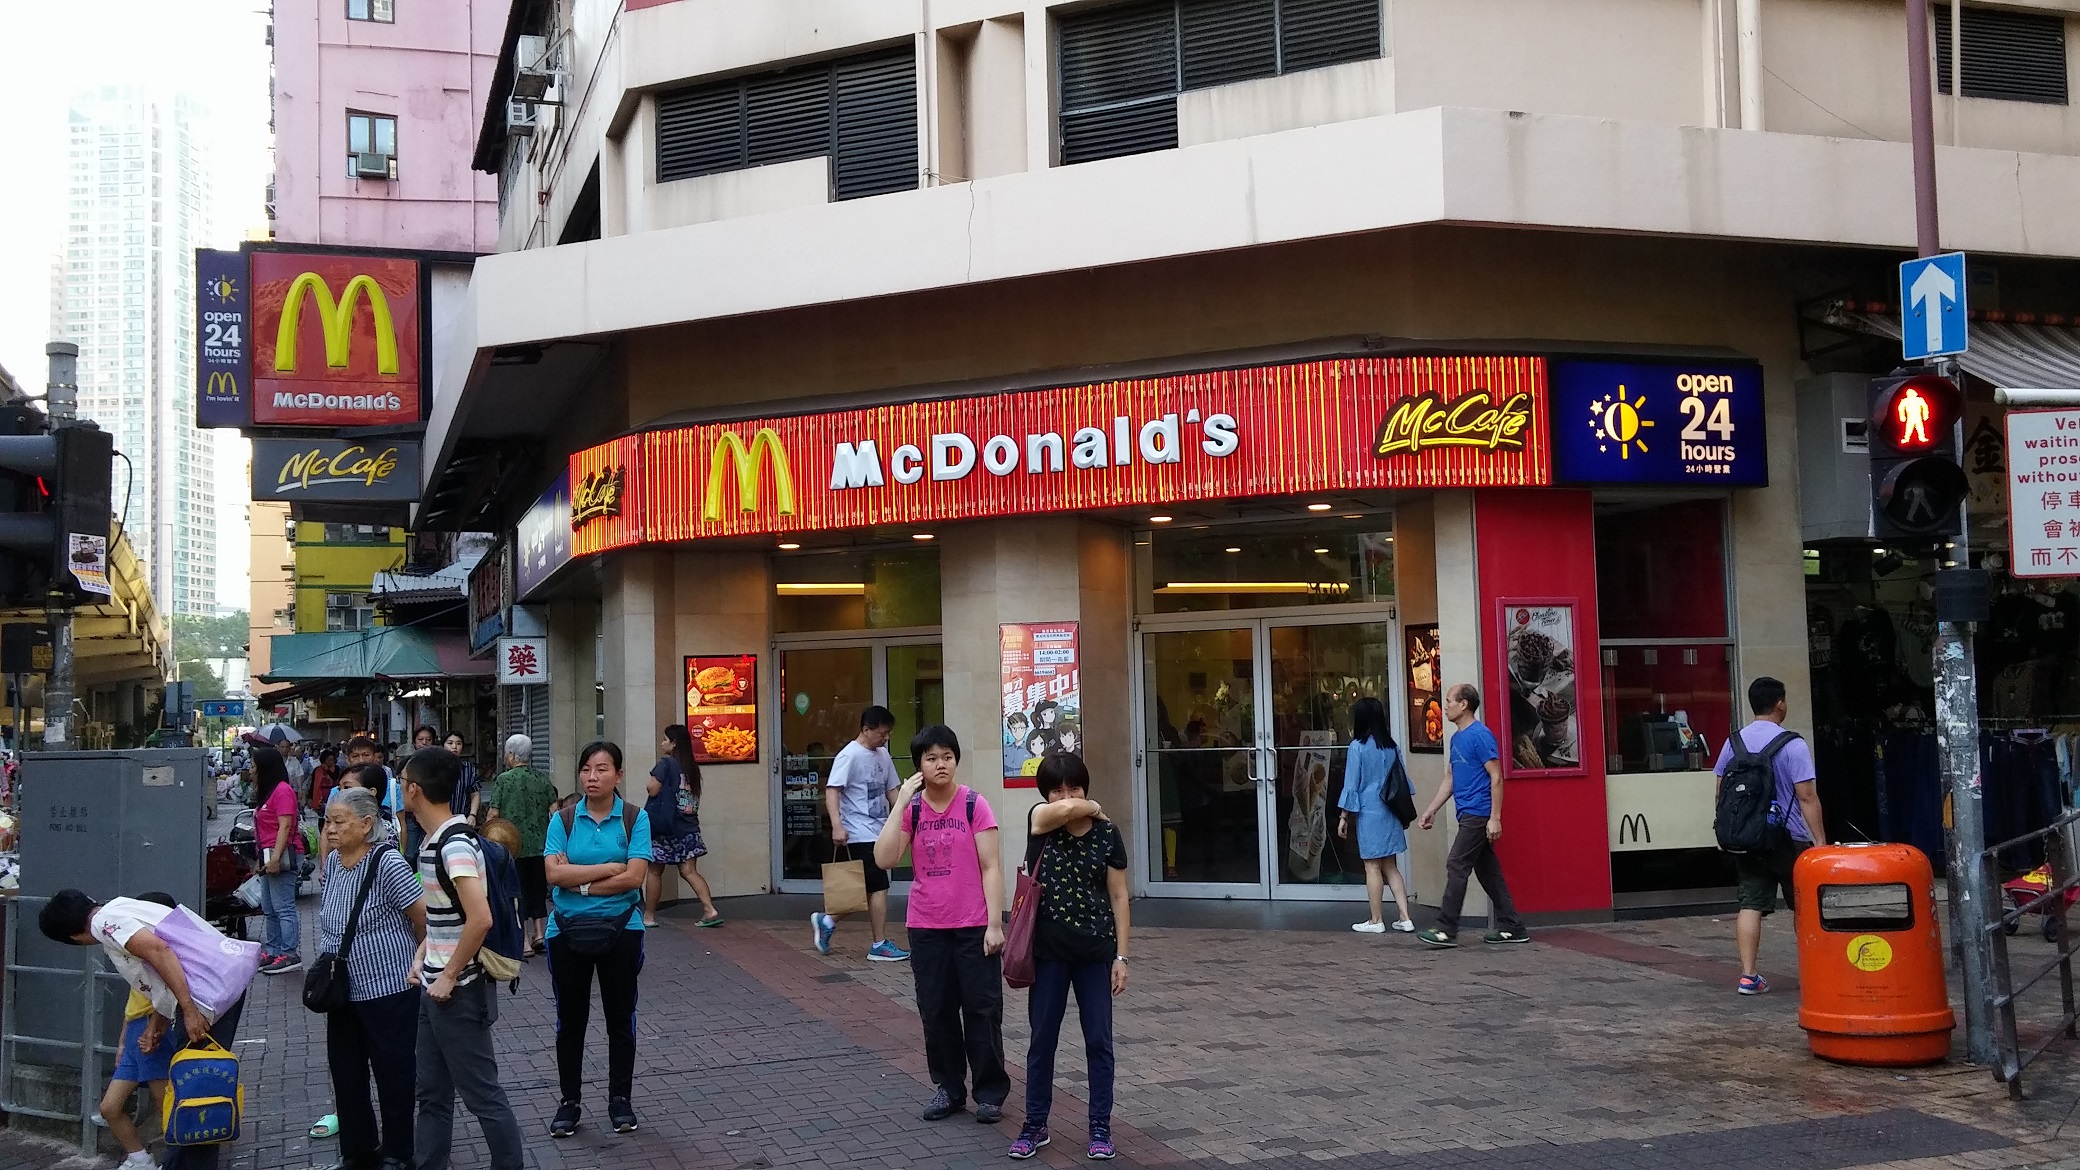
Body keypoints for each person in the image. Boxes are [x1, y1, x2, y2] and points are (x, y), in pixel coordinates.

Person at [41, 889, 252, 1170]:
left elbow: (158, 951)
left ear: (74, 937)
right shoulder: (121, 906)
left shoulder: (105, 924)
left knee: (196, 1088)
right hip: (220, 979)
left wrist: (188, 1009)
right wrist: (160, 1020)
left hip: (206, 993)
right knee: (194, 1085)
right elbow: (158, 969)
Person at [874, 725, 1008, 1123]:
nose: (940, 764)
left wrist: (995, 924)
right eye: (931, 758)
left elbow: (992, 868)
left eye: (946, 756)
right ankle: (948, 1090)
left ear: (956, 760)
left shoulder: (974, 804)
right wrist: (900, 803)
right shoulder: (913, 810)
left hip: (973, 925)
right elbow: (884, 859)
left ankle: (990, 1094)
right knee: (936, 1010)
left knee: (982, 1009)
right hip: (927, 926)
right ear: (919, 765)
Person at [403, 748, 525, 1170]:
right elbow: (447, 917)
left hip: (458, 992)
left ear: (414, 789)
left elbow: (480, 919)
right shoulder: (439, 840)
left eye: (404, 781)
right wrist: (424, 956)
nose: (402, 788)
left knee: (482, 1095)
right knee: (432, 1094)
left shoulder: (453, 845)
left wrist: (449, 975)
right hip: (437, 986)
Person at [1008, 754, 1129, 1161]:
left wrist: (1122, 957)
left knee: (1099, 1041)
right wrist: (1092, 805)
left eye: (1073, 787)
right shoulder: (1039, 822)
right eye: (1056, 788)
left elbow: (1118, 897)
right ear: (1045, 793)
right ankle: (1035, 1123)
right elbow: (1059, 812)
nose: (1065, 796)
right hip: (1048, 954)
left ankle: (1099, 1127)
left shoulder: (1107, 834)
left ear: (1085, 785)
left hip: (1095, 954)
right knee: (1042, 1041)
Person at [544, 741, 652, 1138]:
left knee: (619, 1018)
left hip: (622, 928)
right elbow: (553, 876)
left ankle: (619, 1100)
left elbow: (635, 877)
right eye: (587, 769)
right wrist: (607, 869)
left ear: (618, 776)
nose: (593, 776)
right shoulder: (564, 820)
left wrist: (580, 880)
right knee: (571, 1020)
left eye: (602, 769)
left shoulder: (635, 818)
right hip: (565, 931)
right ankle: (569, 1103)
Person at [320, 787, 427, 1170]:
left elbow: (422, 918)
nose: (330, 829)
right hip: (342, 990)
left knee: (393, 1072)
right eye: (328, 821)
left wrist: (418, 963)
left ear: (366, 825)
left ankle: (399, 1152)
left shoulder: (388, 863)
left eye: (338, 822)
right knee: (346, 1073)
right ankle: (358, 1151)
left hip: (388, 987)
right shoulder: (333, 862)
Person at [1714, 676, 1827, 995]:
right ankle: (1813, 974)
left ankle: (1748, 977)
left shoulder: (1733, 742)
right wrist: (1819, 842)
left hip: (1749, 840)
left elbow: (1721, 793)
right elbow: (1806, 796)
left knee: (1750, 903)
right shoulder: (1793, 744)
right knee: (1803, 907)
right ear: (1780, 704)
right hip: (1789, 839)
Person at [1415, 684, 1529, 948]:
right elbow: (1451, 778)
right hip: (1468, 812)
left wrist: (1495, 817)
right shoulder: (1456, 738)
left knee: (1456, 864)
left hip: (1478, 814)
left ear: (1464, 704)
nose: (1445, 707)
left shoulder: (1480, 736)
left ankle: (1446, 928)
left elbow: (1496, 776)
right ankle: (1513, 926)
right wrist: (1431, 810)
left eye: (1449, 701)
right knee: (1488, 872)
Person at [813, 706, 907, 961]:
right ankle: (879, 944)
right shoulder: (849, 755)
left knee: (862, 889)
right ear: (866, 729)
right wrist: (837, 825)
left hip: (880, 831)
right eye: (882, 733)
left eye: (888, 733)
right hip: (858, 832)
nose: (885, 738)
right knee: (878, 887)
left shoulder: (883, 755)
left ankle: (828, 921)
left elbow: (892, 791)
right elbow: (833, 790)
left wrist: (904, 818)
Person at [101, 891, 180, 1168]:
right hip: (137, 1030)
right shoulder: (138, 950)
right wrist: (123, 1042)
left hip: (153, 1031)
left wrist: (153, 1027)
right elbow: (133, 1000)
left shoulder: (159, 952)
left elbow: (166, 995)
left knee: (165, 1104)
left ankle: (176, 1160)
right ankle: (139, 1159)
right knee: (110, 1107)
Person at [1337, 697, 1415, 934]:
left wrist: (1343, 816)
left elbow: (1352, 784)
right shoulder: (1391, 746)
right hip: (1391, 811)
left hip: (1369, 811)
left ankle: (1376, 919)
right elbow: (1404, 783)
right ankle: (1405, 917)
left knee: (1372, 867)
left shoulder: (1357, 747)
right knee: (1390, 866)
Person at [484, 735, 557, 956]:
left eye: (507, 753)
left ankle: (524, 942)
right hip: (540, 845)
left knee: (517, 891)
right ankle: (540, 933)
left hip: (512, 847)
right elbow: (554, 812)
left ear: (513, 755)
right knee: (537, 889)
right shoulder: (543, 779)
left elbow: (494, 813)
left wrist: (486, 832)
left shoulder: (504, 780)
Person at [642, 725, 721, 929]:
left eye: (665, 739)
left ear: (674, 743)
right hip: (688, 827)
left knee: (654, 870)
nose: (662, 743)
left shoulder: (666, 764)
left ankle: (649, 916)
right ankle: (709, 909)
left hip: (666, 827)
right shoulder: (691, 767)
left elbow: (652, 789)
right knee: (689, 871)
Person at [251, 745, 305, 975]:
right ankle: (273, 950)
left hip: (282, 854)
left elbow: (285, 826)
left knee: (283, 907)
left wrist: (275, 858)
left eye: (254, 766)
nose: (251, 770)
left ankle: (289, 953)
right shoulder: (269, 791)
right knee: (269, 907)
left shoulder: (283, 791)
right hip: (268, 854)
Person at [444, 734, 482, 823]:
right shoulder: (435, 768)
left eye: (458, 743)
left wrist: (472, 815)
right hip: (438, 820)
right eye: (450, 743)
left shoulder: (469, 768)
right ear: (443, 745)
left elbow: (475, 794)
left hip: (462, 819)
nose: (454, 747)